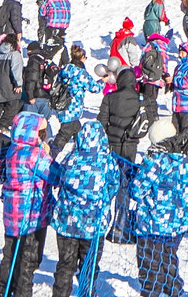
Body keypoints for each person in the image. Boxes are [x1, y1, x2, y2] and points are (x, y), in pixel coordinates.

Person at [50, 121, 122, 297]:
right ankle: (87, 293)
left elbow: (59, 179)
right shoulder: (107, 161)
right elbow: (113, 185)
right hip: (94, 224)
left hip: (67, 223)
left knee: (65, 265)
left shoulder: (71, 158)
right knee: (88, 266)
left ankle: (60, 294)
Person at [0, 110, 53, 297]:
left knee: (10, 254)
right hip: (31, 216)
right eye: (41, 132)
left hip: (12, 214)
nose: (44, 136)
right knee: (27, 261)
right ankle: (22, 292)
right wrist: (46, 153)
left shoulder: (14, 148)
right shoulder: (34, 155)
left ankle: (3, 290)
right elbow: (55, 174)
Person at [129, 139, 188, 297]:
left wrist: (140, 168)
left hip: (153, 223)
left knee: (150, 264)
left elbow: (136, 189)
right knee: (169, 258)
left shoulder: (156, 161)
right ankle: (174, 290)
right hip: (177, 223)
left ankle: (152, 292)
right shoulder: (184, 160)